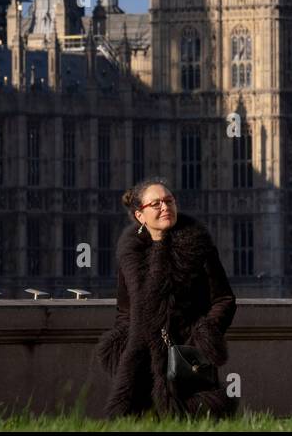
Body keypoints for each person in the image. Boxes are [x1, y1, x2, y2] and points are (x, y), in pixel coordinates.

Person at [95, 177, 237, 418]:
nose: (165, 207)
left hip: (185, 354)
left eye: (169, 201)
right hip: (140, 358)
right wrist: (123, 342)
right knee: (132, 417)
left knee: (192, 417)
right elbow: (125, 311)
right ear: (140, 215)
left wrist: (202, 336)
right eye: (156, 203)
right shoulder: (130, 254)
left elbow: (224, 299)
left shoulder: (198, 247)